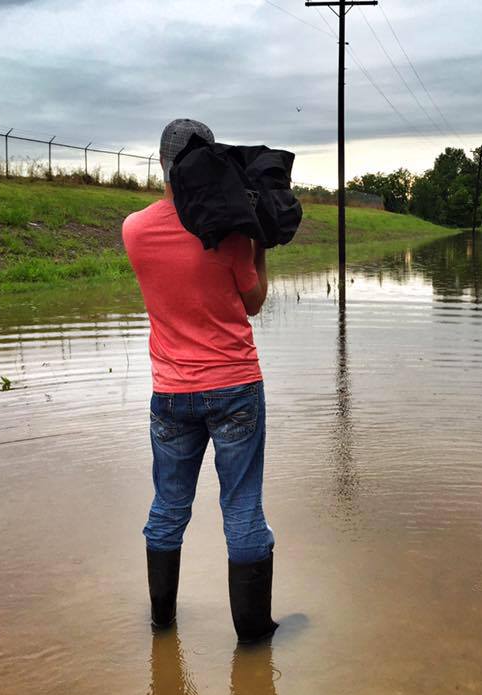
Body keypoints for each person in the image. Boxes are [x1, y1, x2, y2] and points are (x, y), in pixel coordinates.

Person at [122, 118, 278, 644]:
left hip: (170, 394)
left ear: (161, 164)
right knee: (242, 508)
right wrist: (259, 242)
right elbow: (252, 304)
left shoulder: (134, 230)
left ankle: (161, 624)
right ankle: (254, 639)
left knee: (168, 507)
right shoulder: (230, 232)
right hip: (235, 387)